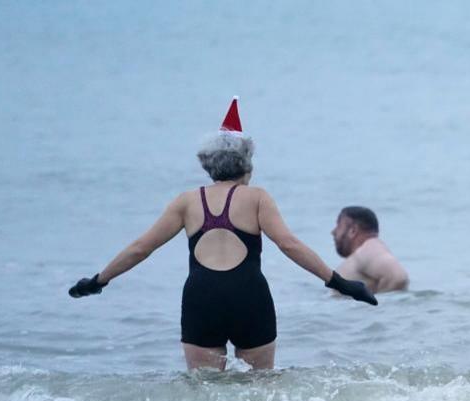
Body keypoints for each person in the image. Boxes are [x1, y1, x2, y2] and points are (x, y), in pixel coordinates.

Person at [68, 97, 377, 371]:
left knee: (204, 396)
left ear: (208, 165)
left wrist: (98, 281)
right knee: (261, 393)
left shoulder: (186, 201)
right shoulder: (257, 198)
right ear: (247, 164)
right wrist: (341, 283)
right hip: (249, 297)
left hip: (202, 299)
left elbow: (140, 248)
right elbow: (289, 244)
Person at [331, 206, 409, 293]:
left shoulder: (369, 247)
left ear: (352, 231)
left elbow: (398, 277)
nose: (333, 232)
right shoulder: (363, 253)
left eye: (338, 225)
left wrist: (379, 305)